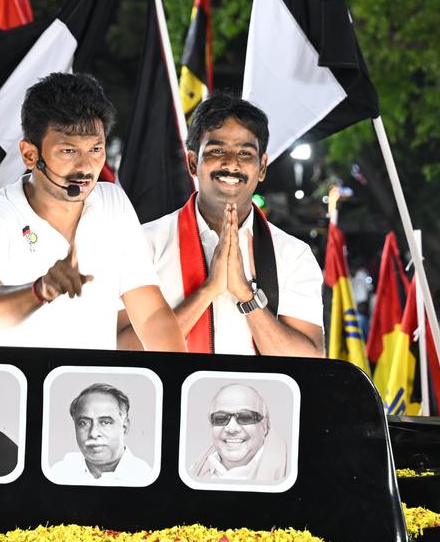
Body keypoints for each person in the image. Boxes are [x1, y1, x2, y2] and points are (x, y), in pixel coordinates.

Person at [0, 73, 184, 351]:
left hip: (88, 391)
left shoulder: (113, 203)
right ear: (30, 155)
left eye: (96, 149)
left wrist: (176, 383)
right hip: (9, 389)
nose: (86, 167)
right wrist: (40, 291)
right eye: (68, 151)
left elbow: (151, 315)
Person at [119, 93, 323, 356]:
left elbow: (309, 362)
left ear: (262, 167)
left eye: (245, 153)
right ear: (193, 162)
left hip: (257, 397)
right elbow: (123, 350)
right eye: (217, 151)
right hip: (173, 396)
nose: (231, 163)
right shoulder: (144, 243)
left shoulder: (293, 254)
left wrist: (246, 295)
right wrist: (208, 290)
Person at [48, 383, 152, 484]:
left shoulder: (145, 477)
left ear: (125, 427)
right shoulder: (58, 474)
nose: (93, 433)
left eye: (106, 422)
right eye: (84, 423)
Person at [189, 383, 289, 480]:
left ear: (264, 426)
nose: (231, 428)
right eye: (221, 418)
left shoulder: (289, 471)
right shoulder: (194, 471)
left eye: (245, 417)